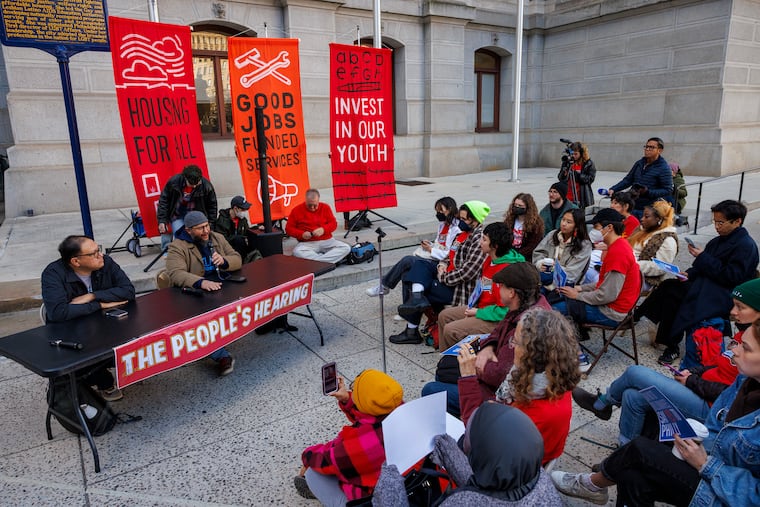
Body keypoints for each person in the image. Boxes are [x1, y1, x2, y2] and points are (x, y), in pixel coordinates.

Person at [551, 317, 760, 507]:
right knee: (632, 468)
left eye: (747, 348)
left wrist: (706, 464)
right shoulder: (745, 381)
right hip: (708, 451)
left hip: (718, 489)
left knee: (641, 445)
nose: (735, 350)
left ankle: (593, 482)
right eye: (739, 343)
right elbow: (716, 423)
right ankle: (618, 460)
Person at [572, 279, 760, 445]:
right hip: (701, 389)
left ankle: (603, 403)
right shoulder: (745, 333)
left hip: (712, 407)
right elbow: (720, 364)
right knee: (631, 396)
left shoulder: (754, 345)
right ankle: (625, 451)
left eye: (740, 307)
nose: (733, 312)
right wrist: (694, 372)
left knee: (634, 372)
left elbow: (735, 393)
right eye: (734, 305)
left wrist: (693, 382)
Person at [636, 200, 759, 365]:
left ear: (737, 221)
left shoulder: (746, 246)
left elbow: (732, 277)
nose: (717, 226)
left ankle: (666, 339)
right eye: (715, 222)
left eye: (721, 222)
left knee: (684, 299)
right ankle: (665, 340)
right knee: (669, 287)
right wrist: (688, 273)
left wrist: (703, 258)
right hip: (706, 283)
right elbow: (701, 268)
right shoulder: (717, 241)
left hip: (724, 292)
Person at [420, 262, 549, 416]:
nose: (498, 290)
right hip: (493, 372)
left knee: (431, 389)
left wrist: (475, 368)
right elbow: (496, 333)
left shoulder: (527, 326)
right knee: (446, 365)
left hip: (497, 396)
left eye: (501, 286)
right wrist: (488, 347)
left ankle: (468, 423)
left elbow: (501, 375)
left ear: (511, 293)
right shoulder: (522, 306)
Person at [373, 403, 563, 506]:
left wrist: (390, 493)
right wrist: (450, 454)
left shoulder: (461, 503)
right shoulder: (539, 478)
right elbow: (494, 487)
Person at [458, 308, 581, 464]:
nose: (512, 347)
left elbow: (476, 435)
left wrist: (468, 377)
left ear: (531, 353)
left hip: (506, 469)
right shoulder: (556, 378)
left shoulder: (528, 412)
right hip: (522, 454)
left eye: (515, 342)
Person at [41, 235, 136, 401]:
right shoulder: (53, 274)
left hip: (107, 324)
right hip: (73, 330)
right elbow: (58, 312)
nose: (100, 255)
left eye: (98, 249)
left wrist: (92, 296)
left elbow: (128, 291)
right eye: (94, 253)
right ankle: (103, 381)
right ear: (76, 262)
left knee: (139, 336)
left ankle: (130, 371)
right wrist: (99, 305)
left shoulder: (106, 263)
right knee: (83, 357)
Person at [295, 369, 403, 506]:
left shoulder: (361, 444)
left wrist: (307, 456)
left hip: (376, 499)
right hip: (405, 486)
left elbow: (325, 459)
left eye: (354, 388)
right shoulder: (402, 412)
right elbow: (370, 417)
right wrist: (347, 399)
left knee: (312, 474)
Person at [389, 202, 490, 345]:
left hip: (457, 288)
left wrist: (443, 276)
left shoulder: (478, 239)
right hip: (446, 276)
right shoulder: (462, 235)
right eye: (460, 218)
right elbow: (448, 256)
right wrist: (442, 265)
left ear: (476, 220)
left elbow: (468, 272)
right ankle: (415, 304)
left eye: (464, 219)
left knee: (414, 281)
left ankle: (411, 328)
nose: (460, 222)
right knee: (418, 263)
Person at [166, 211, 241, 376]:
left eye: (207, 225)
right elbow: (176, 273)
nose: (206, 231)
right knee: (203, 320)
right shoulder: (177, 247)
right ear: (188, 230)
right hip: (197, 292)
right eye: (200, 228)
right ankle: (221, 356)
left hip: (220, 285)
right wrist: (201, 282)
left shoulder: (217, 238)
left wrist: (225, 261)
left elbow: (237, 258)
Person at [436, 222, 524, 351]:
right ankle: (446, 363)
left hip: (497, 319)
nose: (479, 243)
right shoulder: (489, 259)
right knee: (444, 316)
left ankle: (458, 365)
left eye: (484, 239)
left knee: (451, 329)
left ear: (495, 246)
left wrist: (478, 312)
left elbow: (505, 311)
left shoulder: (508, 271)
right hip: (481, 307)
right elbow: (483, 288)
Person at [553, 208, 642, 330]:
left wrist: (577, 295)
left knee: (554, 310)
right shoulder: (618, 245)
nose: (594, 230)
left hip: (611, 313)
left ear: (609, 227)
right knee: (560, 296)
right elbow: (605, 284)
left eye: (597, 227)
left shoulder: (618, 253)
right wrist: (579, 288)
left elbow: (606, 295)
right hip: (610, 305)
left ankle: (568, 345)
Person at [367, 197, 460, 297]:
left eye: (441, 210)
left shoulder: (456, 229)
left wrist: (430, 249)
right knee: (406, 272)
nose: (438, 213)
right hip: (432, 257)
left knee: (407, 260)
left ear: (449, 209)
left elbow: (450, 254)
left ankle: (384, 286)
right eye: (437, 211)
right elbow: (439, 244)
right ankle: (408, 309)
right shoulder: (442, 225)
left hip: (441, 263)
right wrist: (430, 245)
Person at [156, 164, 218, 250]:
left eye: (197, 183)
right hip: (177, 215)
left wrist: (211, 223)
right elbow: (164, 201)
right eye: (192, 184)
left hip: (196, 216)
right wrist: (162, 220)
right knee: (180, 237)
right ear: (185, 178)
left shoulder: (207, 186)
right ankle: (179, 254)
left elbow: (212, 206)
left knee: (199, 237)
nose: (195, 186)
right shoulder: (174, 182)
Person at [532, 208, 592, 294]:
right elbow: (539, 252)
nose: (563, 224)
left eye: (569, 222)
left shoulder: (584, 245)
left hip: (566, 284)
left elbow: (572, 273)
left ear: (577, 226)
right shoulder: (553, 235)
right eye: (563, 220)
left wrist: (553, 270)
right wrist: (540, 263)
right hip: (544, 276)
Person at [608, 137, 673, 214]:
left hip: (649, 208)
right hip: (633, 203)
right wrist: (614, 189)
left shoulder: (663, 168)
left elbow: (667, 190)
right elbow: (628, 180)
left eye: (651, 147)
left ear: (660, 150)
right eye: (646, 146)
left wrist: (647, 192)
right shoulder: (639, 163)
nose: (647, 149)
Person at [285, 188, 351, 264]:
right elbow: (288, 229)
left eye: (315, 205)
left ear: (318, 201)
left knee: (346, 248)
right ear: (305, 201)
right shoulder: (296, 210)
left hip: (327, 241)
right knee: (297, 252)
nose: (312, 208)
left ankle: (318, 262)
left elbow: (333, 223)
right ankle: (326, 261)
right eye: (310, 205)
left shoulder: (325, 207)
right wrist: (301, 234)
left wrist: (323, 229)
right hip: (307, 243)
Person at [627, 199, 678, 294]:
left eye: (646, 217)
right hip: (628, 269)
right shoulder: (642, 230)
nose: (642, 219)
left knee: (605, 282)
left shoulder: (668, 239)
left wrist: (633, 265)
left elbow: (661, 267)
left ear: (658, 219)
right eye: (643, 216)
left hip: (646, 279)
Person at [502, 193, 544, 259]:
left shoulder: (536, 224)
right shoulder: (510, 220)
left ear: (528, 207)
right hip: (509, 252)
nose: (517, 208)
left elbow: (532, 245)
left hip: (526, 257)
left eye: (520, 206)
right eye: (515, 205)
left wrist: (517, 256)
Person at [215, 195, 256, 261]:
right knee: (239, 239)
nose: (245, 211)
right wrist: (238, 238)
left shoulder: (242, 219)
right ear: (235, 208)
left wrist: (257, 228)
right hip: (228, 250)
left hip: (240, 248)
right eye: (243, 209)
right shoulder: (222, 221)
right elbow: (222, 239)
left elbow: (247, 231)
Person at [558, 141, 597, 208]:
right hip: (567, 196)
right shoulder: (567, 162)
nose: (573, 156)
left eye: (576, 154)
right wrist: (564, 173)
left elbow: (590, 179)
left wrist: (578, 176)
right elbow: (560, 178)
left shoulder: (588, 163)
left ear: (582, 153)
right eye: (572, 154)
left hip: (581, 197)